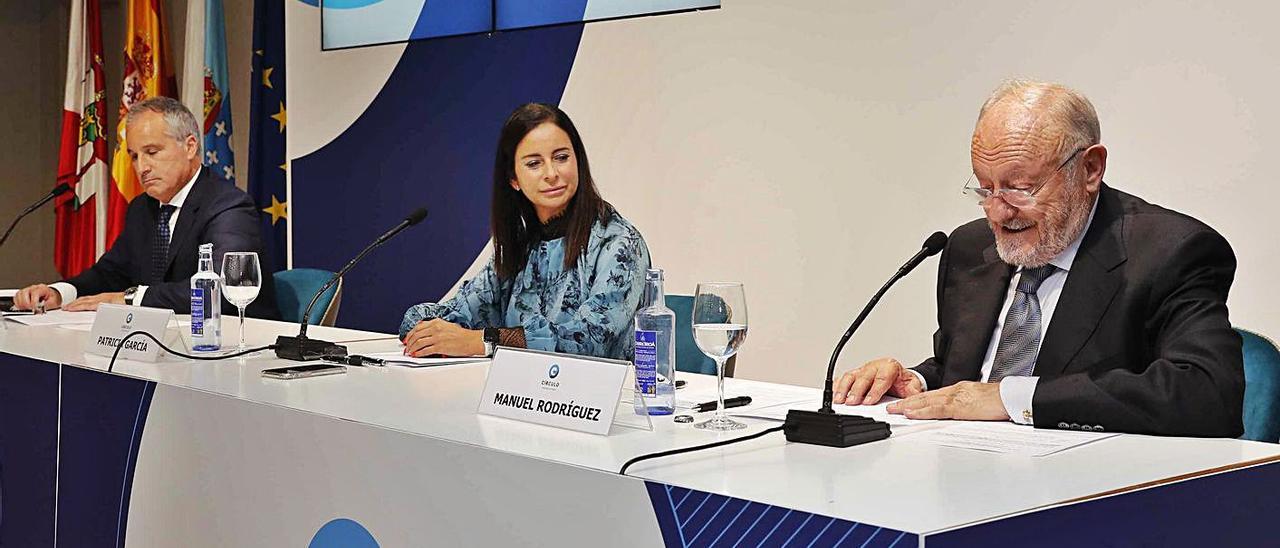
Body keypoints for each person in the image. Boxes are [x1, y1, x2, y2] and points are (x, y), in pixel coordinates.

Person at [834, 80, 1243, 437]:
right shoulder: (968, 248)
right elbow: (966, 377)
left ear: (1090, 169)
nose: (997, 212)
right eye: (985, 189)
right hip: (962, 475)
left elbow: (1206, 393)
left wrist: (1013, 399)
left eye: (1020, 188)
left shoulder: (1171, 252)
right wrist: (918, 381)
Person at [400, 103, 650, 360]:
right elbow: (459, 311)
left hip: (601, 397)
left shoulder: (619, 242)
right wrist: (429, 331)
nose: (552, 174)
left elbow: (588, 341)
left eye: (561, 158)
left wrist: (483, 341)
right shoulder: (521, 245)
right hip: (520, 395)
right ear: (513, 179)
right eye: (534, 163)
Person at [14, 97, 280, 320]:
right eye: (134, 156)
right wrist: (60, 292)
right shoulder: (142, 209)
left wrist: (130, 298)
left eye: (152, 152)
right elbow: (109, 274)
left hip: (238, 348)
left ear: (190, 147)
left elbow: (221, 290)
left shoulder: (227, 205)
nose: (142, 167)